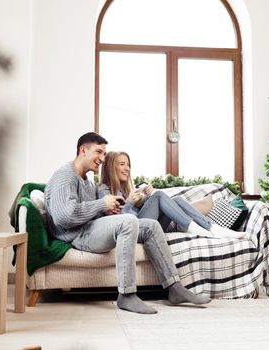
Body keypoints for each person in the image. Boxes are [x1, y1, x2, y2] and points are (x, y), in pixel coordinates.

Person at [44, 132, 211, 314]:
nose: (101, 158)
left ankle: (175, 288)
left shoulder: (87, 181)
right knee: (129, 221)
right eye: (98, 152)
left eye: (104, 154)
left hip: (89, 228)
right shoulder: (65, 176)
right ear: (83, 150)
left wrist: (105, 209)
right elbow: (63, 217)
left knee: (151, 226)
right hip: (78, 236)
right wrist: (101, 204)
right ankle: (127, 295)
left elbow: (87, 210)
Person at [97, 151, 246, 239]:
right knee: (160, 196)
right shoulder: (104, 189)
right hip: (133, 232)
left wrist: (145, 198)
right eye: (122, 164)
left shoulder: (126, 188)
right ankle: (196, 229)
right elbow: (116, 221)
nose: (127, 168)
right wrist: (129, 202)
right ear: (111, 167)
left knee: (178, 200)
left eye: (128, 164)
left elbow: (138, 212)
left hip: (148, 226)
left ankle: (212, 228)